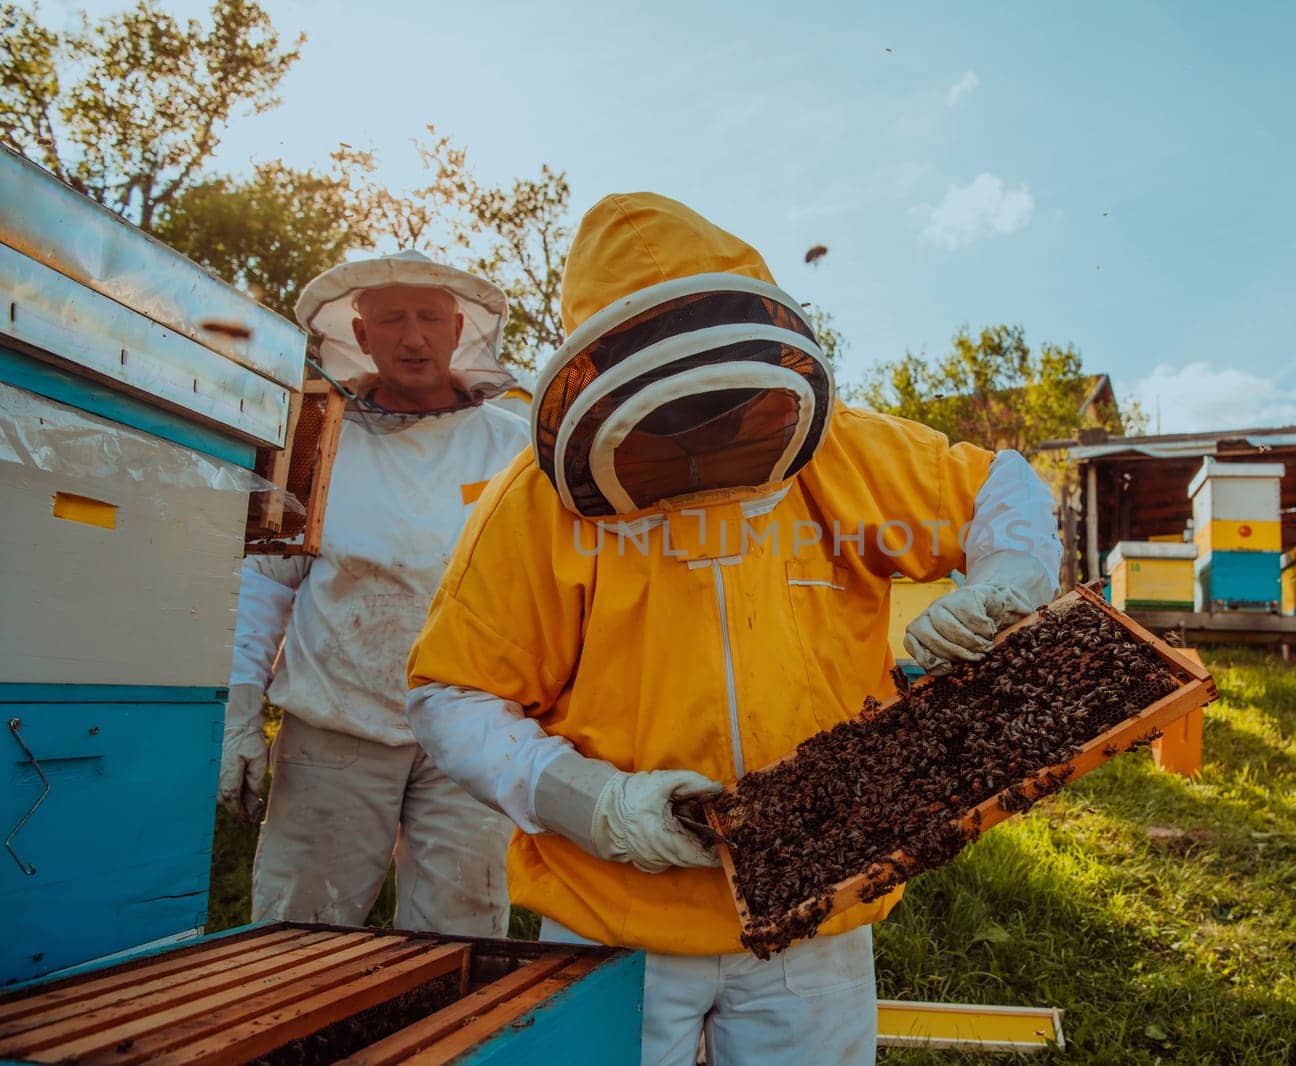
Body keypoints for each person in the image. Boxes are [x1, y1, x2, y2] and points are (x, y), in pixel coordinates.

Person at [404, 194, 1061, 1063]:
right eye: (668, 420)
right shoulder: (532, 504)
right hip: (609, 916)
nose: (694, 440)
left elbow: (998, 487)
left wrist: (1011, 574)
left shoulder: (845, 452)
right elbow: (452, 693)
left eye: (722, 411)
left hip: (816, 906)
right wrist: (591, 803)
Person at [219, 250, 528, 935]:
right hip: (336, 729)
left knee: (460, 940)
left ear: (458, 330)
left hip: (473, 738)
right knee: (300, 936)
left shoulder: (514, 448)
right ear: (361, 335)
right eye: (391, 319)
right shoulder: (317, 439)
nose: (412, 337)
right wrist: (238, 704)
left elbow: (548, 592)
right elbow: (264, 582)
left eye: (429, 319)